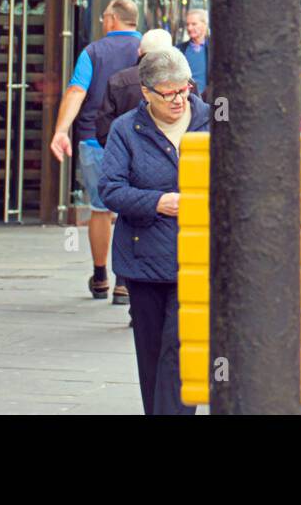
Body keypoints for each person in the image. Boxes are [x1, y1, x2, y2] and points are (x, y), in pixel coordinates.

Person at [97, 48, 207, 415]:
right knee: (151, 355)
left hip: (198, 259)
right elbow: (110, 189)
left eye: (184, 90)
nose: (179, 99)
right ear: (146, 92)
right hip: (144, 259)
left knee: (179, 351)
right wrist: (158, 202)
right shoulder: (126, 129)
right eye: (168, 92)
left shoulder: (211, 121)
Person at [50, 0, 143, 305]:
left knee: (100, 209)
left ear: (111, 20)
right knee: (133, 209)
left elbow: (77, 90)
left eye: (104, 17)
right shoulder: (149, 51)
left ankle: (100, 276)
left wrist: (61, 130)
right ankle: (124, 282)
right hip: (140, 142)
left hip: (95, 140)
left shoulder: (92, 52)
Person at [96, 29, 176, 147]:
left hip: (127, 160)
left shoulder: (118, 81)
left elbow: (104, 131)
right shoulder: (184, 83)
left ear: (139, 52)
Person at [177, 8, 211, 94]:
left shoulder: (213, 49)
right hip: (187, 100)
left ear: (205, 25)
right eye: (187, 24)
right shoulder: (179, 50)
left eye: (194, 24)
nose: (189, 28)